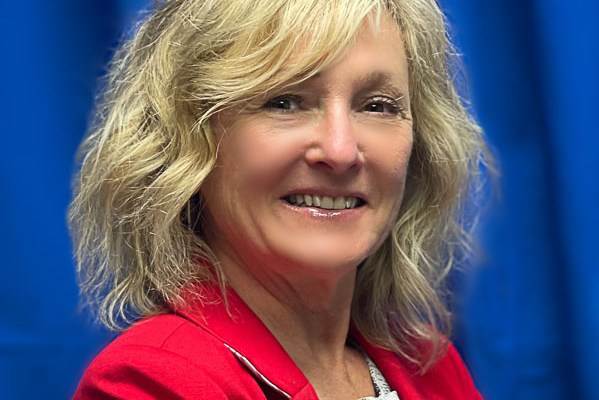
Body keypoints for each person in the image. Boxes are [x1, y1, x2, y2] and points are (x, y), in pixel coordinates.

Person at [70, 0, 489, 398]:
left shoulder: (427, 363)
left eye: (377, 106)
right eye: (285, 102)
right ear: (187, 143)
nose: (341, 151)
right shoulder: (152, 382)